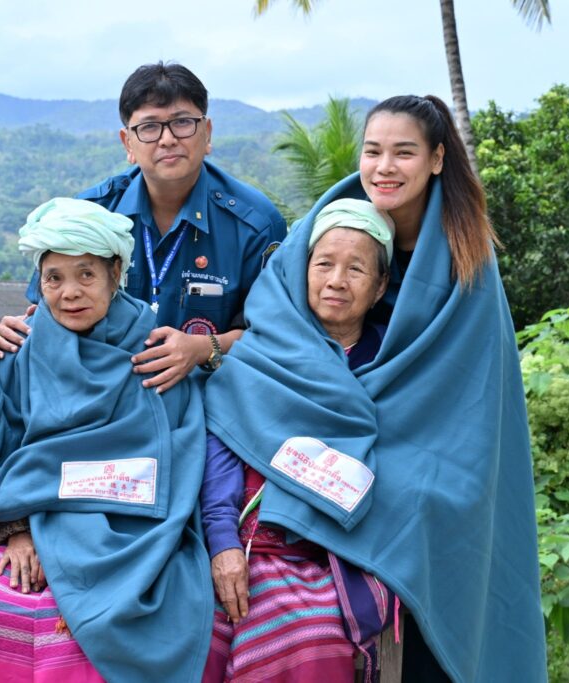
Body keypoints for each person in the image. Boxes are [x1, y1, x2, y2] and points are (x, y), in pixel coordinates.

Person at [203, 95, 546, 683]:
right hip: (318, 431)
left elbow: (470, 394)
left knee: (420, 514)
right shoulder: (330, 226)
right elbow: (275, 332)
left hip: (424, 447)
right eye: (373, 151)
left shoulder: (465, 259)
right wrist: (211, 350)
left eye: (404, 153)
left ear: (437, 159)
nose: (385, 167)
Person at [0, 198, 213, 682]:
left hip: (136, 525)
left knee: (156, 610)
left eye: (86, 275)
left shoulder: (157, 350)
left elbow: (180, 451)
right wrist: (19, 529)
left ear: (116, 273)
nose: (69, 293)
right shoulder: (21, 347)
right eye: (53, 278)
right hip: (40, 516)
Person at [0, 62, 288, 392]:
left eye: (182, 122)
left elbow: (275, 335)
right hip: (105, 393)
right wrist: (18, 329)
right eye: (149, 127)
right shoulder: (89, 215)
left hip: (214, 392)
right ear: (127, 143)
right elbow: (47, 310)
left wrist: (203, 348)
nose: (167, 139)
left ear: (207, 133)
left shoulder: (256, 223)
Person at [201, 199, 394, 682]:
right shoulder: (258, 354)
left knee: (308, 635)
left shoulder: (394, 365)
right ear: (301, 271)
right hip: (242, 540)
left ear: (380, 286)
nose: (336, 281)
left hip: (338, 555)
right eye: (324, 264)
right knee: (190, 622)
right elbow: (222, 449)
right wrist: (222, 542)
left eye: (356, 269)